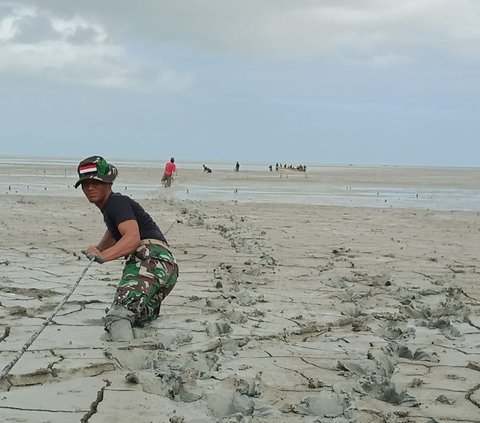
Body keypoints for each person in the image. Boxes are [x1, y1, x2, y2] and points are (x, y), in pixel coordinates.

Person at [75, 155, 179, 341]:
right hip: (166, 266)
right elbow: (114, 231)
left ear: (108, 183)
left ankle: (126, 358)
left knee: (119, 315)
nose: (90, 187)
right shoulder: (112, 207)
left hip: (150, 259)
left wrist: (103, 256)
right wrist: (99, 248)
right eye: (85, 184)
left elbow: (131, 237)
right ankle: (151, 345)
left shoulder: (116, 202)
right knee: (138, 317)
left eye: (96, 182)